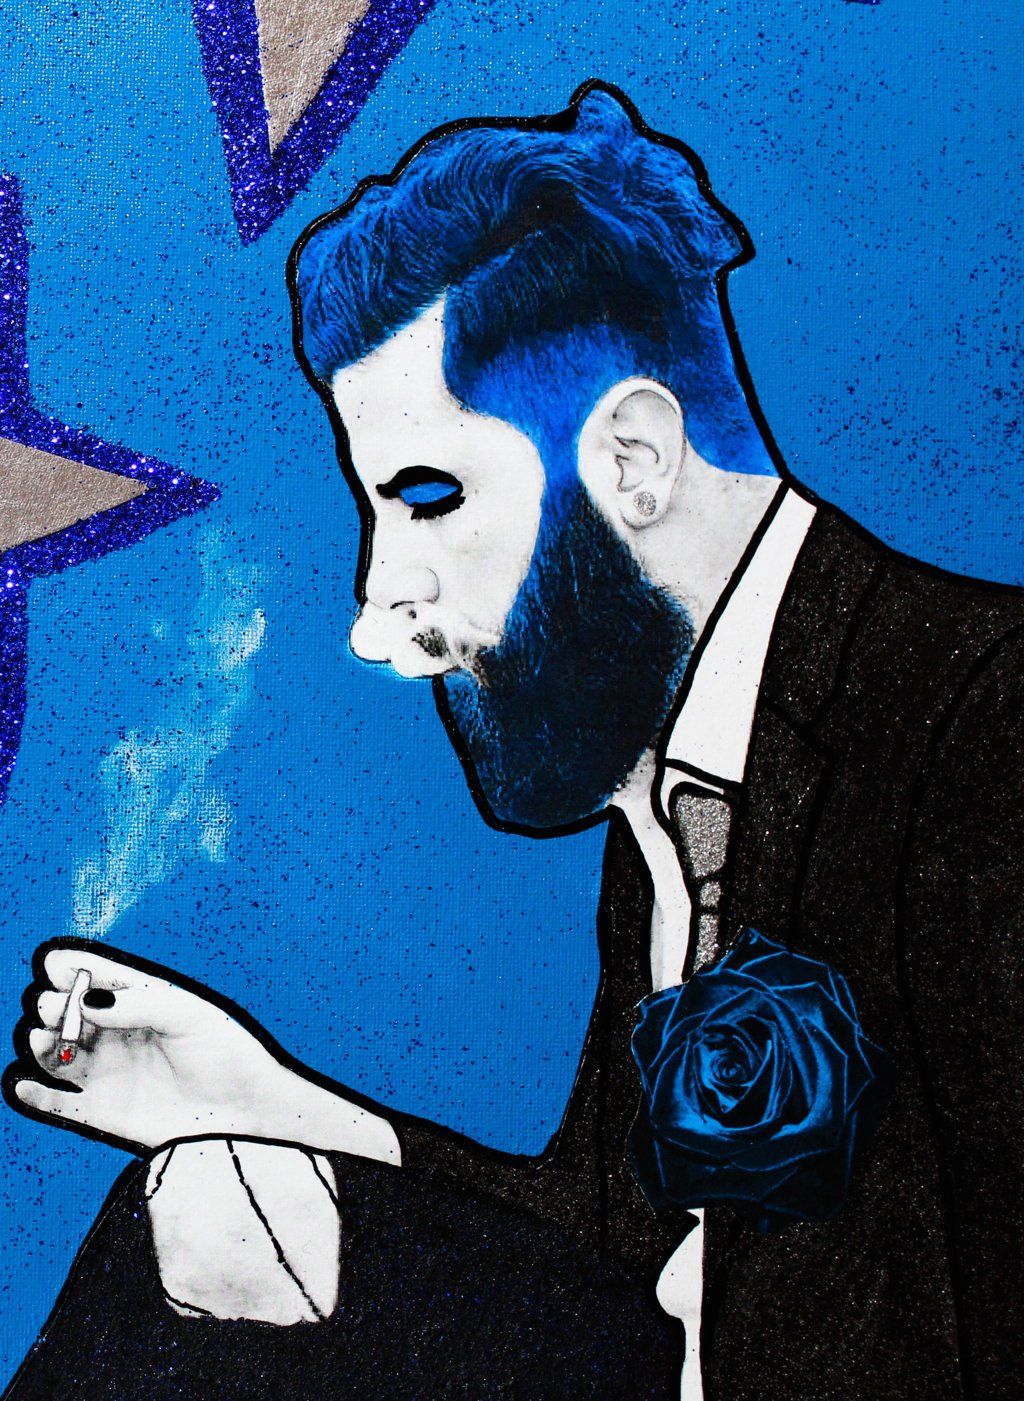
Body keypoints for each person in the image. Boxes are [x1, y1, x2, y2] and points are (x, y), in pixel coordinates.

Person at [4, 82, 1023, 1400]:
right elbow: (633, 1253)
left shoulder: (980, 722)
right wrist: (264, 1105)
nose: (381, 619)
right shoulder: (677, 795)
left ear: (634, 460)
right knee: (212, 1199)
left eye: (430, 500)